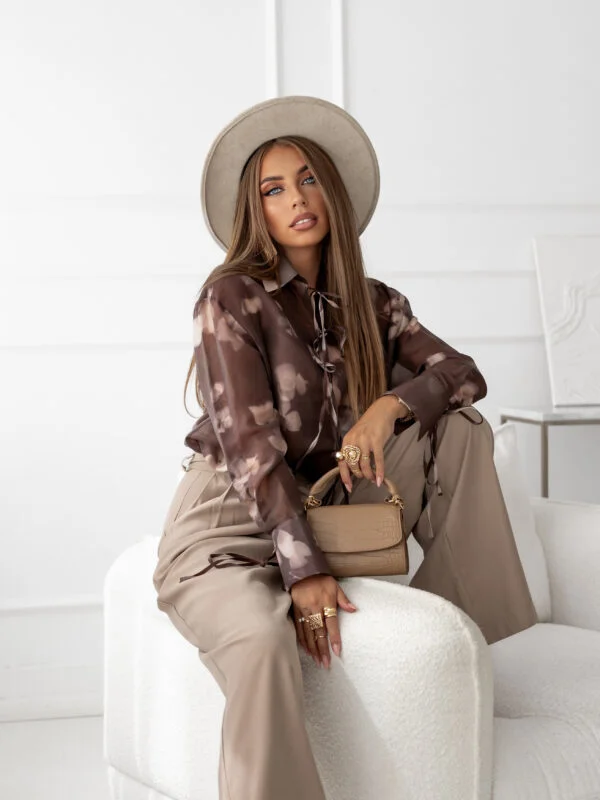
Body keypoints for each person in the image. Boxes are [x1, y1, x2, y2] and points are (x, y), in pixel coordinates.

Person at [152, 95, 538, 800]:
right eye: (273, 190)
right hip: (234, 526)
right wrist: (303, 573)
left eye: (308, 180)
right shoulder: (232, 297)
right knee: (261, 645)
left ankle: (456, 654)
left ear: (332, 189)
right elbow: (250, 446)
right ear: (255, 212)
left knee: (458, 426)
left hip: (330, 507)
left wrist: (391, 406)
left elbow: (462, 375)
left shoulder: (374, 301)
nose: (297, 199)